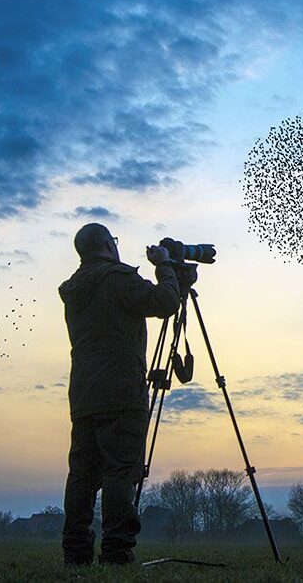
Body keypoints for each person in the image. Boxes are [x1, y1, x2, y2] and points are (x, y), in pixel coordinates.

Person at [58, 222, 180, 565]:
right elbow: (165, 302)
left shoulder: (75, 289)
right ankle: (116, 551)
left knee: (82, 475)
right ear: (106, 246)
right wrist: (165, 266)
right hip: (122, 393)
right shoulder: (117, 278)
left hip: (84, 396)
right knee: (120, 472)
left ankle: (75, 552)